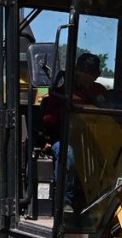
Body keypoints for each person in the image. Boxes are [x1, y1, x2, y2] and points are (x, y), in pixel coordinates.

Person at [40, 53, 109, 211]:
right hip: (62, 137)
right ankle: (66, 201)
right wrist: (68, 108)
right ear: (75, 70)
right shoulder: (61, 89)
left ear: (97, 75)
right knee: (68, 153)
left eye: (91, 73)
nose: (86, 76)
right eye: (83, 71)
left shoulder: (100, 92)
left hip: (92, 139)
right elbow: (48, 120)